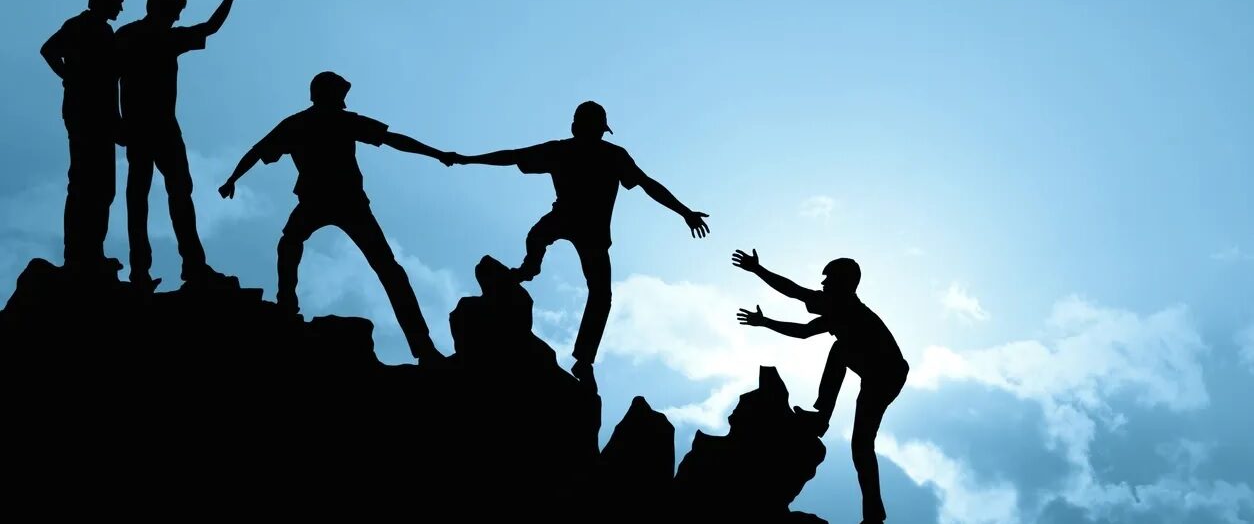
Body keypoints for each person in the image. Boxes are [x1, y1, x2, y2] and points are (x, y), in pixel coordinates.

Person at [452, 100, 710, 389]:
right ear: (589, 129)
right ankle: (578, 350)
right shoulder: (585, 152)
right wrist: (466, 158)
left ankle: (577, 348)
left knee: (562, 259)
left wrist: (466, 158)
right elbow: (513, 156)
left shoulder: (586, 152)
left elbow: (513, 156)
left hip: (584, 229)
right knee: (582, 278)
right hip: (581, 226)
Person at [218, 71, 451, 364]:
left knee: (294, 244)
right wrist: (232, 178)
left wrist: (232, 178)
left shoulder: (302, 123)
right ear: (330, 94)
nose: (344, 99)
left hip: (335, 201)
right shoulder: (331, 121)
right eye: (340, 93)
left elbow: (258, 151)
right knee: (381, 267)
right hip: (337, 200)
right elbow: (393, 140)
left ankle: (288, 306)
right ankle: (423, 347)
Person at [732, 248, 908, 524]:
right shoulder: (839, 312)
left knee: (861, 443)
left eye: (828, 280)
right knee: (860, 443)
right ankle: (822, 419)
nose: (823, 285)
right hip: (880, 373)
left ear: (843, 283)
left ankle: (823, 419)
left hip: (886, 374)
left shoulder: (846, 308)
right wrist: (765, 322)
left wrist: (758, 270)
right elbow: (802, 331)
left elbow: (794, 291)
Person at [116, 0, 247, 290]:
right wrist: (115, 122)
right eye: (176, 11)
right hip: (144, 128)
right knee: (144, 196)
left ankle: (184, 266)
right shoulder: (137, 37)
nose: (177, 18)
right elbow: (106, 79)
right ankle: (147, 271)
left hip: (160, 129)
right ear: (163, 7)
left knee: (168, 194)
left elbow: (209, 28)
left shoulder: (147, 36)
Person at [40, 0, 128, 279]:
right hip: (85, 114)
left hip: (102, 116)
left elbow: (109, 82)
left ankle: (92, 251)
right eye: (118, 0)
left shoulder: (105, 31)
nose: (121, 7)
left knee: (102, 187)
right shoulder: (80, 26)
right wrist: (70, 78)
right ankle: (78, 255)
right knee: (84, 183)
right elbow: (48, 50)